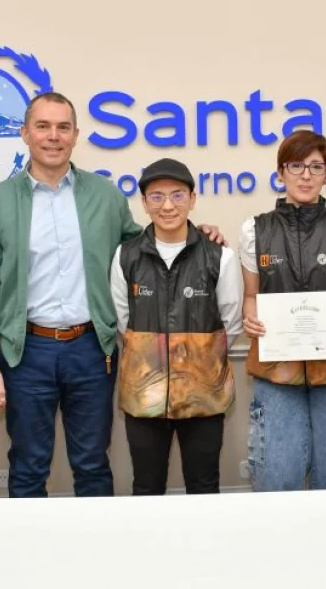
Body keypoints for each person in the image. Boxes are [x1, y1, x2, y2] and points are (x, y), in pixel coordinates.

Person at [0, 92, 141, 497]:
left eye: (63, 127)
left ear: (76, 135)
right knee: (28, 467)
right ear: (25, 133)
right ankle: (31, 559)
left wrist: (198, 236)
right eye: (43, 126)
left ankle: (94, 558)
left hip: (91, 349)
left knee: (93, 464)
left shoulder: (106, 196)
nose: (53, 136)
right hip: (26, 351)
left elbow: (141, 253)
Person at [240, 131, 326, 491]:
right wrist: (250, 319)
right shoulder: (255, 230)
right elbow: (251, 297)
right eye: (296, 165)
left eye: (316, 167)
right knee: (276, 479)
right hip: (277, 371)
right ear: (281, 172)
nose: (305, 175)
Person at [111, 158, 243, 495]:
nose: (167, 205)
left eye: (177, 195)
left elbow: (230, 321)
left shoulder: (219, 256)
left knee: (203, 484)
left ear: (192, 199)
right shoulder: (126, 256)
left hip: (204, 393)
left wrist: (197, 362)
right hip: (144, 393)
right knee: (147, 485)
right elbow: (123, 320)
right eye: (156, 197)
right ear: (144, 203)